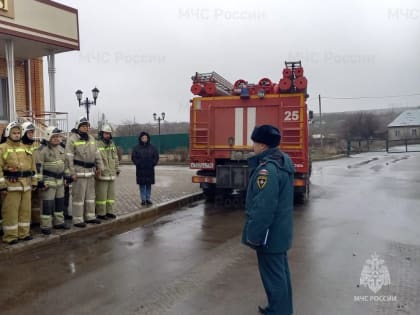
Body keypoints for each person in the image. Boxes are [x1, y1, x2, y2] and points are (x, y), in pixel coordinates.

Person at [241, 125, 295, 315]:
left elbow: (263, 208)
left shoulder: (267, 170)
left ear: (262, 145)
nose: (252, 146)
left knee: (273, 277)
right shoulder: (283, 160)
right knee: (281, 274)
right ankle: (281, 309)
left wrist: (254, 236)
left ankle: (278, 312)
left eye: (254, 142)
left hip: (269, 235)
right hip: (280, 231)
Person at [0, 121, 37, 244]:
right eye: (14, 133)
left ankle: (24, 234)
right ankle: (10, 236)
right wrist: (2, 186)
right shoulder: (3, 148)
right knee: (11, 211)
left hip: (26, 185)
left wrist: (35, 181)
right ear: (8, 133)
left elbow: (33, 167)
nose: (16, 135)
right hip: (11, 186)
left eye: (18, 133)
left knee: (25, 211)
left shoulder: (25, 148)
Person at [65, 117, 103, 227]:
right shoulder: (72, 139)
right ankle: (77, 219)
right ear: (78, 127)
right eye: (83, 126)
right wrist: (71, 173)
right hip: (78, 173)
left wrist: (100, 168)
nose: (86, 128)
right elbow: (69, 158)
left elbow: (97, 155)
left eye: (87, 126)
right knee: (78, 198)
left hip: (90, 173)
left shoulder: (91, 139)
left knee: (90, 197)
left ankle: (90, 217)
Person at [36, 126, 71, 234]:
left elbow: (66, 164)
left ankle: (59, 223)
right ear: (48, 136)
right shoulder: (42, 150)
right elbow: (38, 167)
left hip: (60, 181)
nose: (57, 139)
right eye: (54, 137)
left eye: (58, 136)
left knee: (59, 203)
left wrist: (67, 176)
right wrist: (40, 182)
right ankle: (46, 226)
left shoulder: (61, 148)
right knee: (47, 205)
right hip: (48, 182)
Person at [95, 123, 120, 220]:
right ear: (102, 134)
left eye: (109, 134)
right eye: (106, 133)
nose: (107, 135)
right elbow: (96, 159)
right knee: (101, 195)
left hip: (111, 174)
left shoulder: (112, 144)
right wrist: (98, 170)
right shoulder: (97, 144)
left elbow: (116, 158)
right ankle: (101, 213)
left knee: (110, 196)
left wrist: (117, 169)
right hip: (102, 174)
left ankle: (109, 212)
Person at [21, 121, 42, 226]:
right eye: (29, 133)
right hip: (25, 178)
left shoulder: (35, 144)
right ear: (24, 132)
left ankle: (36, 220)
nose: (31, 135)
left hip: (36, 175)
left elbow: (38, 160)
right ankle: (27, 223)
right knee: (26, 202)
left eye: (32, 133)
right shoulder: (20, 145)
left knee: (36, 200)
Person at [131, 131, 159, 206]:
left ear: (148, 138)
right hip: (141, 170)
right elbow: (133, 157)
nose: (144, 139)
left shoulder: (152, 147)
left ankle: (148, 199)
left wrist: (152, 163)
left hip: (149, 169)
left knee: (148, 185)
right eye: (143, 138)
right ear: (140, 138)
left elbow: (156, 157)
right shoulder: (136, 148)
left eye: (146, 137)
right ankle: (143, 200)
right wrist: (139, 163)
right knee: (142, 185)